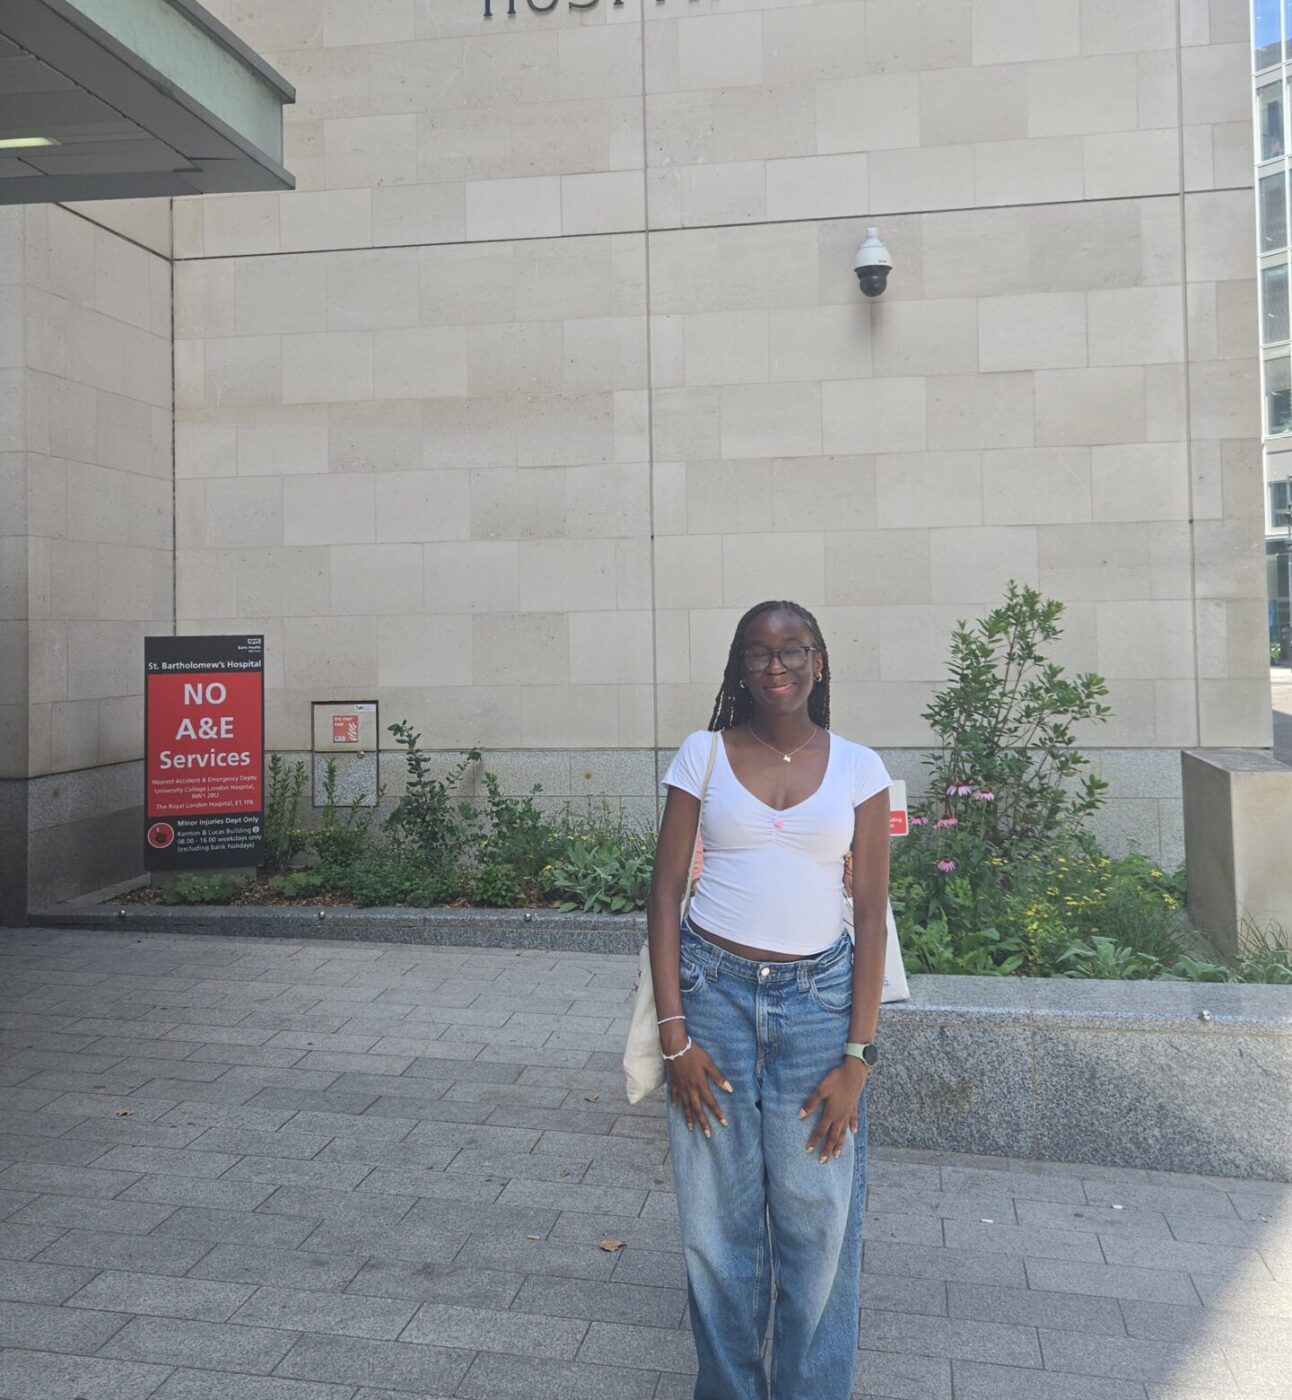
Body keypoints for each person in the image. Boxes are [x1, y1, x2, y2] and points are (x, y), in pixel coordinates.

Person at [648, 600, 891, 1400]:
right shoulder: (703, 755)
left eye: (793, 650)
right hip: (712, 998)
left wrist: (858, 1055)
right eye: (759, 653)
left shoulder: (860, 767)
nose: (776, 666)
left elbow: (870, 913)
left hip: (820, 1011)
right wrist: (674, 1040)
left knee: (818, 1227)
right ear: (739, 668)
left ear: (819, 661)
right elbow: (663, 895)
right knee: (717, 1232)